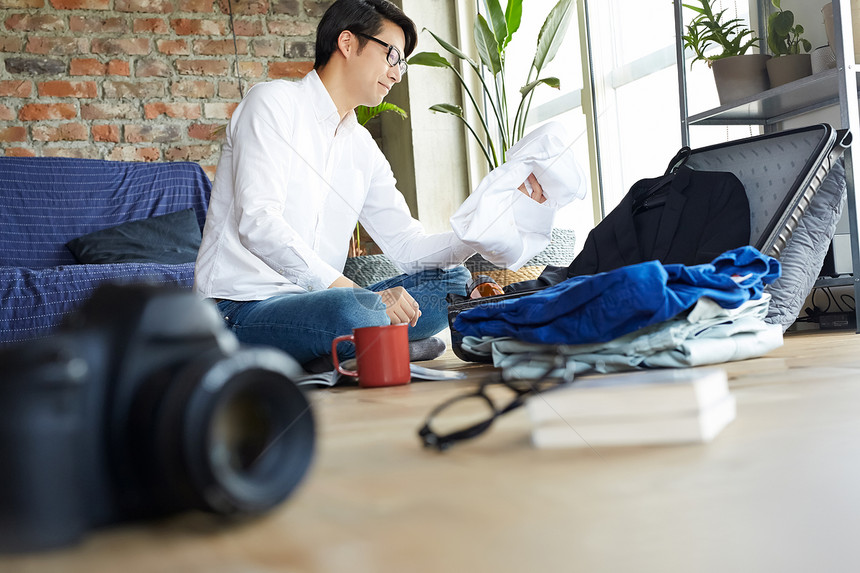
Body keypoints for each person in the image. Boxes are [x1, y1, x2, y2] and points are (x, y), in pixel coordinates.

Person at [194, 0, 545, 369]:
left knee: (452, 283)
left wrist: (487, 221)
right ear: (347, 43)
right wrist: (366, 299)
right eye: (392, 55)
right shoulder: (272, 104)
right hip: (238, 310)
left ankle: (353, 348)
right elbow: (259, 224)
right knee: (350, 310)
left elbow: (408, 248)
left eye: (402, 64)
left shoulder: (362, 148)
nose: (397, 74)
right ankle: (372, 344)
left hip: (318, 303)